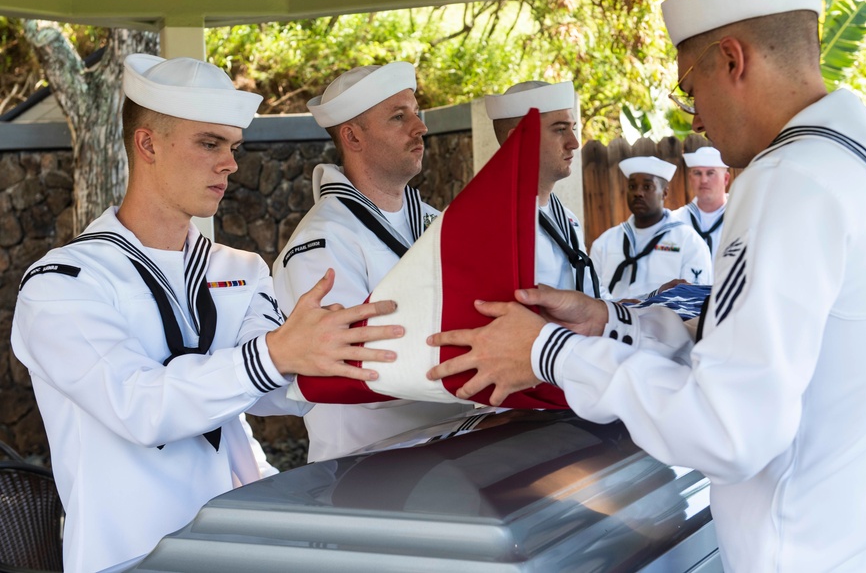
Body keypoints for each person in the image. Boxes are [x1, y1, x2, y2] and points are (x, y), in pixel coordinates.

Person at [427, 0, 866, 572]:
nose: (694, 119)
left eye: (691, 89)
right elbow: (776, 352)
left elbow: (728, 431)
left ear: (733, 60)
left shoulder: (791, 179)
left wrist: (551, 353)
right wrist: (609, 323)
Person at [11, 55, 403, 573]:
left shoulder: (240, 269)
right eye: (209, 143)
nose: (230, 164)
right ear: (147, 143)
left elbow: (271, 394)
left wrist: (341, 352)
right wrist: (278, 352)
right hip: (129, 556)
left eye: (233, 147)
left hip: (241, 541)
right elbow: (141, 408)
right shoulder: (61, 284)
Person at [273, 62, 466, 463]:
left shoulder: (437, 221)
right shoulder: (321, 242)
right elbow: (357, 366)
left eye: (415, 111)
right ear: (352, 136)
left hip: (451, 454)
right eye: (398, 116)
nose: (420, 127)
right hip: (368, 470)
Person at [485, 81, 600, 297]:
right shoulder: (490, 223)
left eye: (572, 129)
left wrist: (647, 300)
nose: (574, 142)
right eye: (560, 129)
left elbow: (594, 295)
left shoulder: (566, 218)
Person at [589, 155, 712, 299]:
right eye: (632, 187)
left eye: (647, 187)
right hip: (613, 319)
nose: (638, 193)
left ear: (665, 193)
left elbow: (693, 299)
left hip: (668, 321)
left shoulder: (689, 241)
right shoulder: (605, 242)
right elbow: (591, 293)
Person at [672, 146, 730, 261]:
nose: (703, 180)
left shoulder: (740, 218)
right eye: (697, 173)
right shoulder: (675, 222)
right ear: (690, 178)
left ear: (726, 179)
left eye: (710, 173)